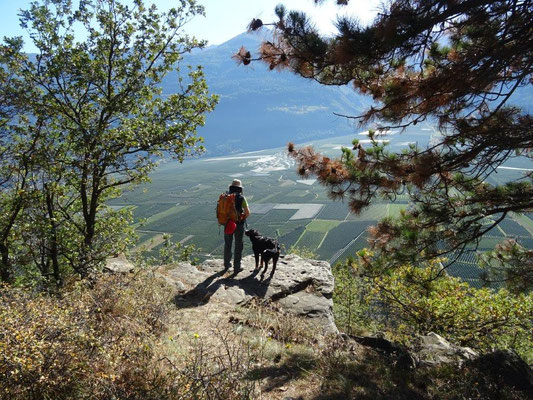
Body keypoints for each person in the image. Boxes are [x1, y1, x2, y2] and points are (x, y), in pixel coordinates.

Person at [224, 179, 250, 272]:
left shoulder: (225, 196)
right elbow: (247, 212)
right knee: (238, 245)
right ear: (239, 188)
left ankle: (227, 265)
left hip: (227, 224)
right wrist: (241, 219)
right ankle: (237, 267)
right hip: (238, 224)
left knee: (228, 244)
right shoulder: (241, 198)